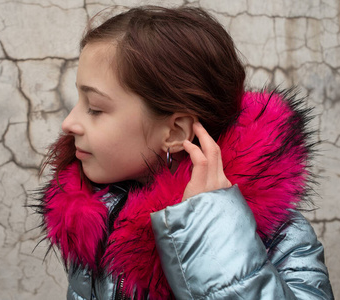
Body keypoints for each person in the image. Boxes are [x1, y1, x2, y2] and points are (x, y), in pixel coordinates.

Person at [34, 6, 334, 300]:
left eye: (95, 108)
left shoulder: (279, 236)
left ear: (176, 132)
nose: (69, 122)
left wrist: (210, 228)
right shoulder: (96, 214)